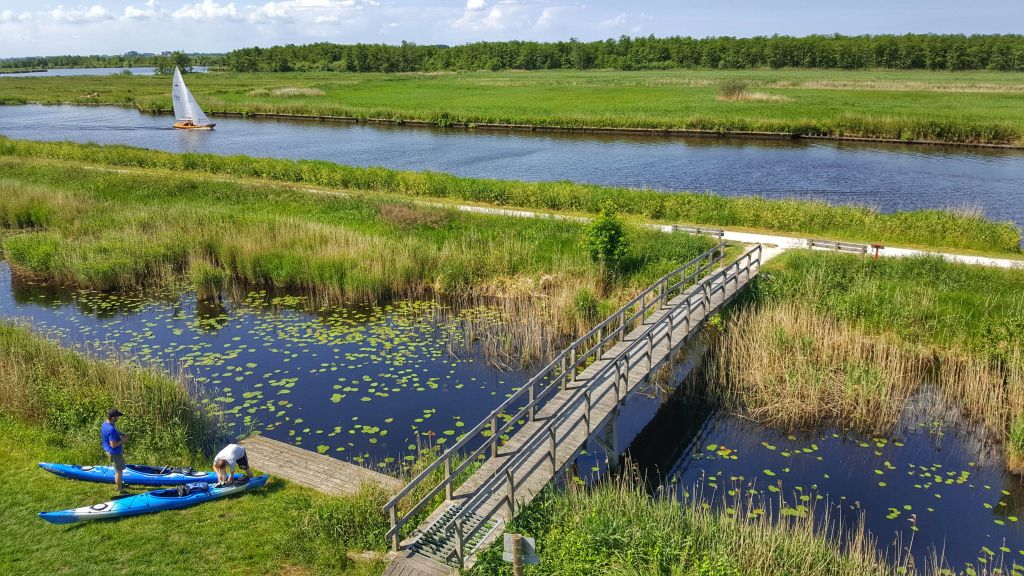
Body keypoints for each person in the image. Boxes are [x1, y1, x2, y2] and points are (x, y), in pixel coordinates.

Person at [101, 408, 127, 494]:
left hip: (108, 450)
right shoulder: (111, 429)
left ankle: (119, 484)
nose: (118, 418)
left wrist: (119, 433)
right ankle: (120, 489)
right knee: (119, 471)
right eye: (117, 416)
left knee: (117, 469)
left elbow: (110, 435)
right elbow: (113, 445)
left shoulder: (105, 424)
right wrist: (122, 441)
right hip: (114, 452)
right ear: (113, 417)